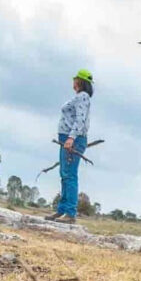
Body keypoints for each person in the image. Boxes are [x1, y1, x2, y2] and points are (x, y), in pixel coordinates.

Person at [46, 69, 93, 224]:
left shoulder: (83, 97)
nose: (73, 81)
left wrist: (71, 137)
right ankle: (62, 210)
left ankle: (70, 212)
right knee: (64, 174)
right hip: (67, 138)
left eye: (75, 79)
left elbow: (80, 120)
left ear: (80, 81)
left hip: (73, 139)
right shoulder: (79, 97)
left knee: (70, 175)